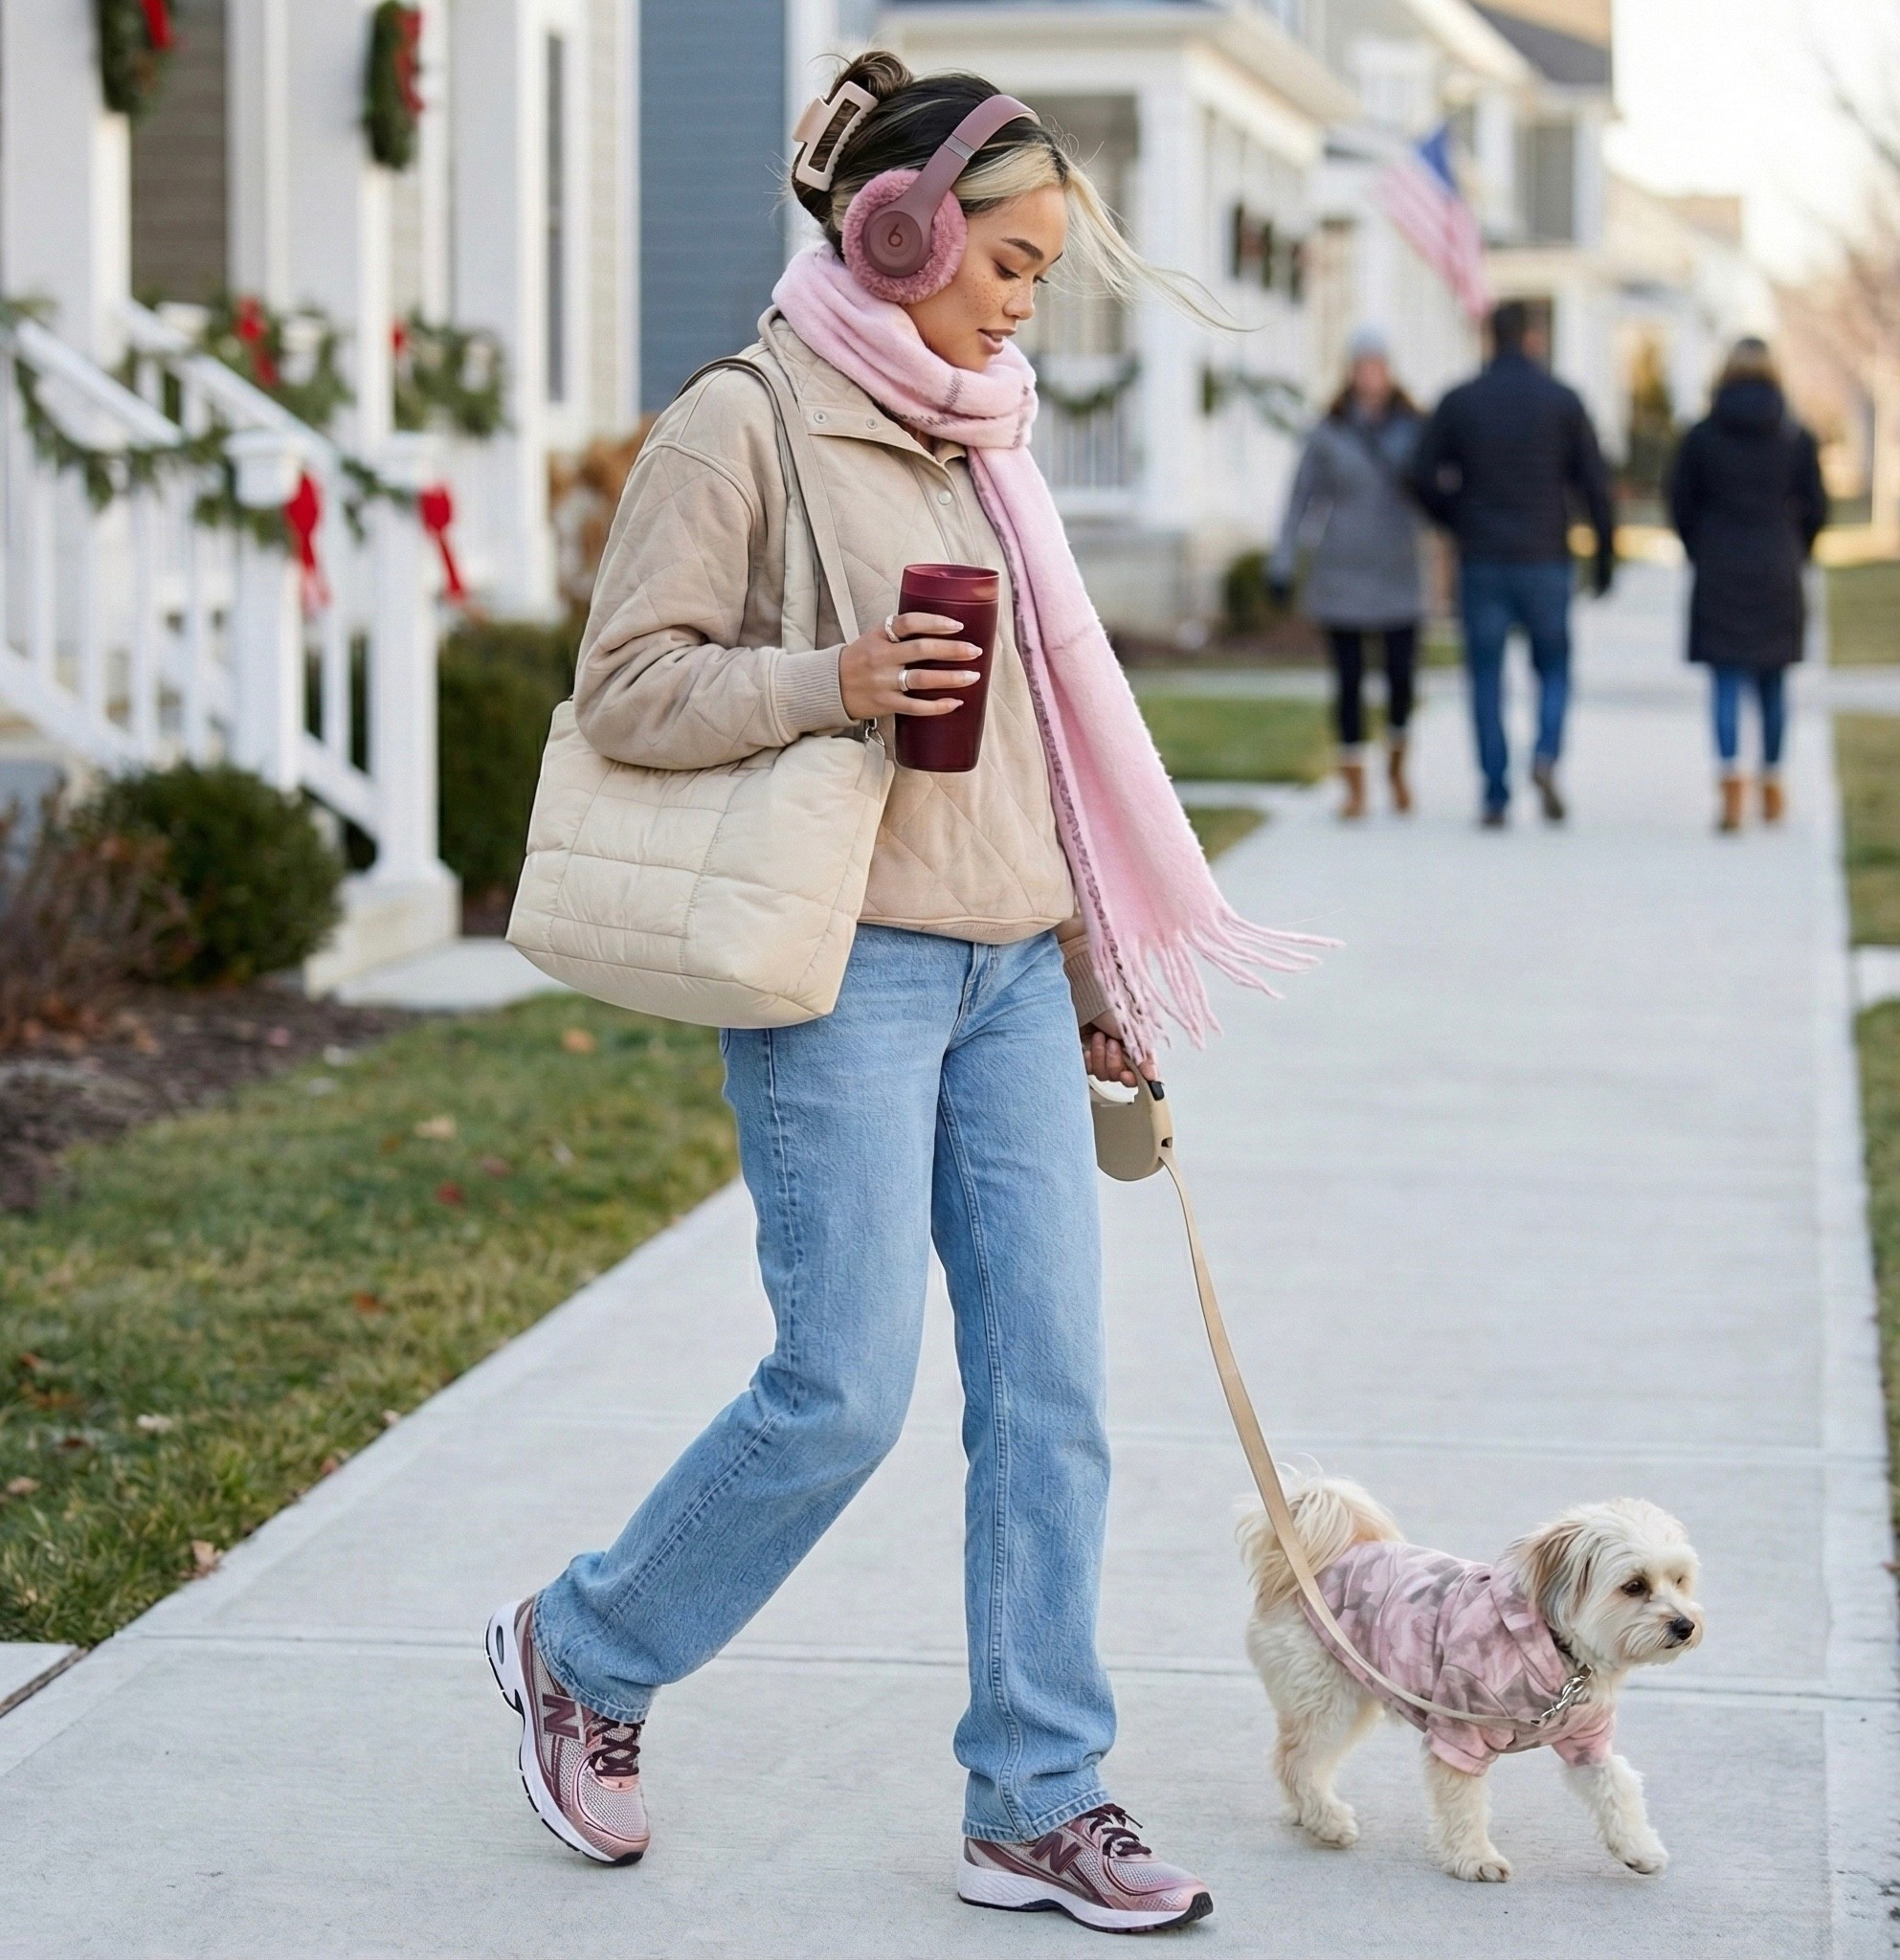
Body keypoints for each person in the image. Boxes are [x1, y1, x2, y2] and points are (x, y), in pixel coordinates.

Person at [482, 55, 1317, 1935]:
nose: (1022, 304)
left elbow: (1033, 742)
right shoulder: (745, 424)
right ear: (898, 229)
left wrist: (1097, 968)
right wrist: (829, 682)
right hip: (839, 966)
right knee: (841, 1385)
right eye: (1005, 262)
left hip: (1015, 964)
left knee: (1051, 1394)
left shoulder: (986, 433)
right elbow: (625, 690)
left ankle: (1036, 1795)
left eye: (1041, 276)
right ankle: (583, 1650)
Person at [1407, 300, 1617, 827]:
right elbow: (1594, 483)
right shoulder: (1563, 401)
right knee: (1553, 668)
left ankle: (1495, 791)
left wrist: (1455, 517)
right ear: (1533, 338)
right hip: (1546, 556)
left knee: (1485, 676)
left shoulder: (1460, 401)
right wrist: (1606, 554)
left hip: (1482, 559)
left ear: (1489, 339)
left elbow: (1417, 474)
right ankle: (1545, 754)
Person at [1665, 337, 1827, 831]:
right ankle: (1772, 780)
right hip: (1776, 563)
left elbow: (1679, 501)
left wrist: (1700, 546)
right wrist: (1797, 549)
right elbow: (1817, 507)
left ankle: (1731, 780)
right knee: (1774, 680)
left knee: (1726, 681)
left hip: (1719, 564)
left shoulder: (1701, 435)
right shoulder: (1794, 436)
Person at [1268, 328, 1428, 819]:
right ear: (1351, 372)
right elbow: (1301, 498)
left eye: (1378, 365)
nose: (1370, 375)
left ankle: (1398, 766)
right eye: (1362, 366)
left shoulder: (1415, 428)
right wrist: (1283, 561)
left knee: (1401, 681)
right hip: (1342, 571)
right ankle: (1354, 785)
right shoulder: (1329, 430)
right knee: (1349, 682)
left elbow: (1441, 485)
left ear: (1390, 370)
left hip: (1399, 567)